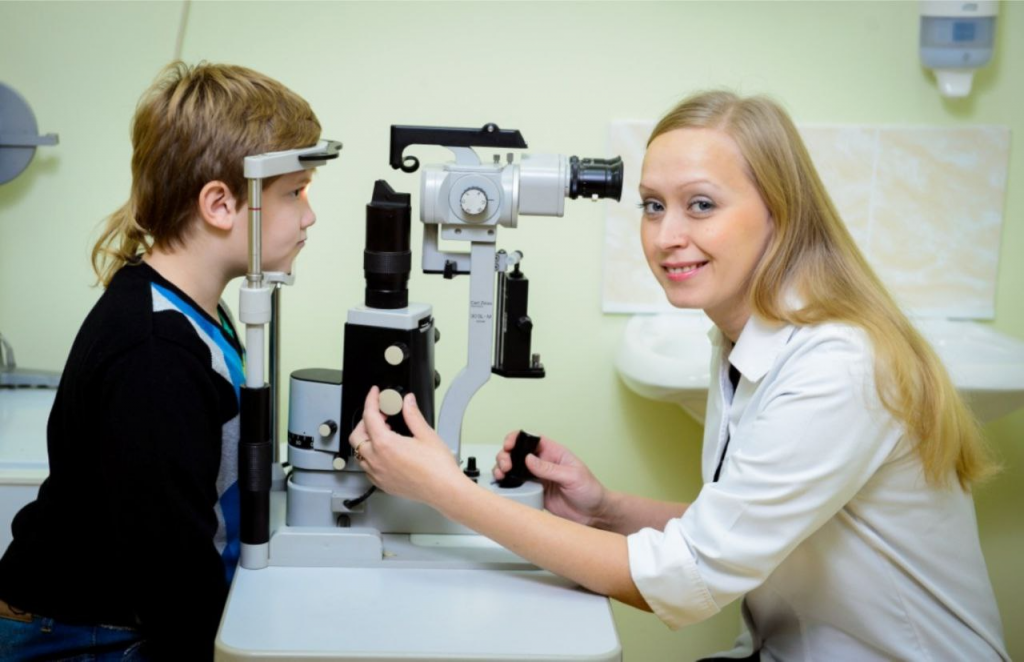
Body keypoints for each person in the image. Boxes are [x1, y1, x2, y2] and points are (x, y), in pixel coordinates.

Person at [346, 91, 1009, 660]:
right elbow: (741, 525)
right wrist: (606, 510)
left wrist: (445, 491)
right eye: (652, 205)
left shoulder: (838, 368)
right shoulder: (742, 336)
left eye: (701, 205)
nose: (666, 236)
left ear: (779, 213)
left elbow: (690, 576)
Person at [0, 61, 321, 661]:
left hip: (135, 611)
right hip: (85, 634)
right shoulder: (156, 353)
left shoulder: (197, 313)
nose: (309, 214)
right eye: (294, 192)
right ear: (220, 204)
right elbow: (170, 574)